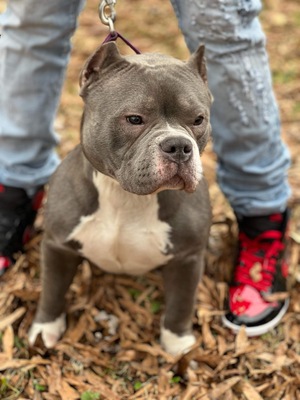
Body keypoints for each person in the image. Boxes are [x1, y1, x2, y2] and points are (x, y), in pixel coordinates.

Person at [0, 0, 291, 337]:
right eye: (135, 120)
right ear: (90, 79)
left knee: (224, 24)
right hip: (82, 195)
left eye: (195, 122)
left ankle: (262, 216)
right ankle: (14, 192)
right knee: (34, 18)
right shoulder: (66, 192)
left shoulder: (192, 211)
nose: (179, 147)